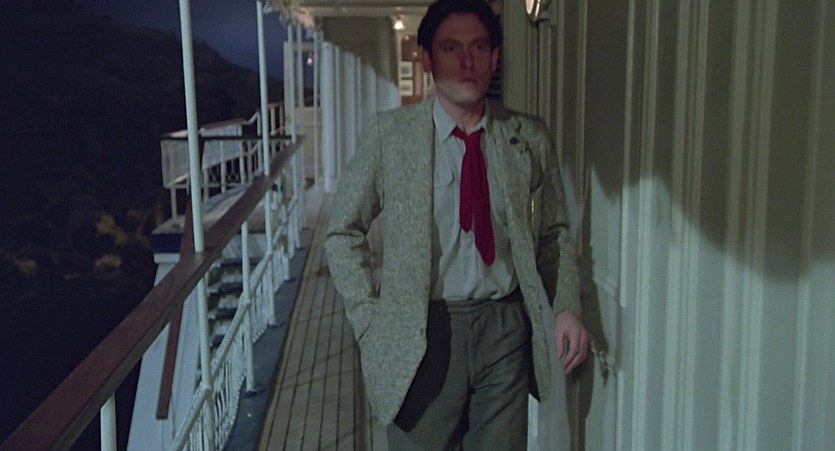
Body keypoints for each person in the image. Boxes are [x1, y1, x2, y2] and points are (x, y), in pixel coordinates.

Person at [324, 0, 588, 448]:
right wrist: (370, 319)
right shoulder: (391, 136)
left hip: (504, 331)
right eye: (450, 48)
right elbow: (341, 231)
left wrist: (565, 305)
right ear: (427, 58)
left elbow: (553, 233)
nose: (467, 61)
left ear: (495, 58)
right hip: (422, 334)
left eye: (478, 47)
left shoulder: (527, 137)